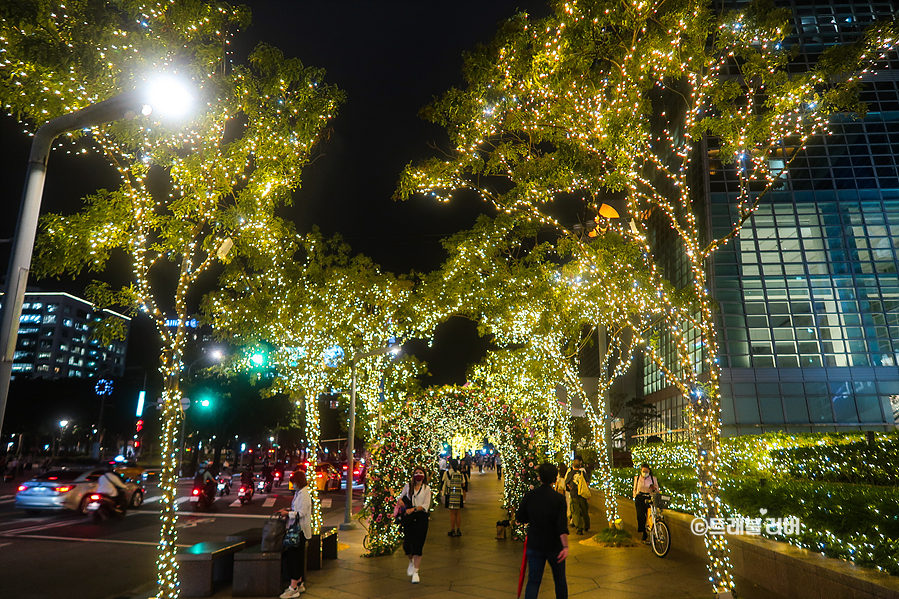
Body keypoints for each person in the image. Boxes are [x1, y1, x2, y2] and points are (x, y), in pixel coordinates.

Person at [516, 463, 569, 599]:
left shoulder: (531, 496)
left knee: (533, 581)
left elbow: (520, 517)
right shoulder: (559, 499)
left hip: (535, 544)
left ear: (539, 477)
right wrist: (565, 546)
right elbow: (561, 526)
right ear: (555, 479)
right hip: (554, 546)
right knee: (560, 580)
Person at [277, 470, 312, 598]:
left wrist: (288, 514)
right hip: (299, 530)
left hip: (299, 531)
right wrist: (288, 511)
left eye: (294, 482)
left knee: (294, 558)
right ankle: (299, 583)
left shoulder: (304, 495)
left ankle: (293, 587)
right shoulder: (300, 493)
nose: (293, 485)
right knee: (298, 557)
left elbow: (301, 513)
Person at [398, 465, 432, 584]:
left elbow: (426, 505)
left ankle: (416, 572)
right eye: (416, 473)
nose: (418, 475)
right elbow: (400, 497)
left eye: (421, 473)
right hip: (409, 519)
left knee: (418, 545)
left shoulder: (426, 489)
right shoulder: (408, 487)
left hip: (421, 518)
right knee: (407, 545)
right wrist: (401, 501)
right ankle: (411, 561)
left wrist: (414, 509)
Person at [632, 463, 660, 544]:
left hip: (649, 497)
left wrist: (654, 489)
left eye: (646, 471)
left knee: (650, 515)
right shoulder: (637, 478)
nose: (645, 473)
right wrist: (635, 496)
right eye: (643, 471)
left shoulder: (653, 479)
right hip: (640, 498)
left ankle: (652, 531)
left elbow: (657, 491)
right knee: (640, 515)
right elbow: (635, 489)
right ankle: (643, 531)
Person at [565, 456, 590, 535]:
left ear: (573, 465)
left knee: (576, 512)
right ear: (580, 466)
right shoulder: (583, 473)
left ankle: (579, 528)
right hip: (582, 494)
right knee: (584, 510)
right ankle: (587, 525)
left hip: (574, 494)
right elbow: (587, 483)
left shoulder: (570, 474)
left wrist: (570, 488)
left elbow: (567, 484)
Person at [442, 459, 465, 537]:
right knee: (458, 513)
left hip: (451, 494)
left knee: (452, 513)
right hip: (459, 494)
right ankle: (458, 530)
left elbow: (444, 482)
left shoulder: (447, 473)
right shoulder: (460, 473)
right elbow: (463, 484)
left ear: (450, 465)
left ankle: (452, 530)